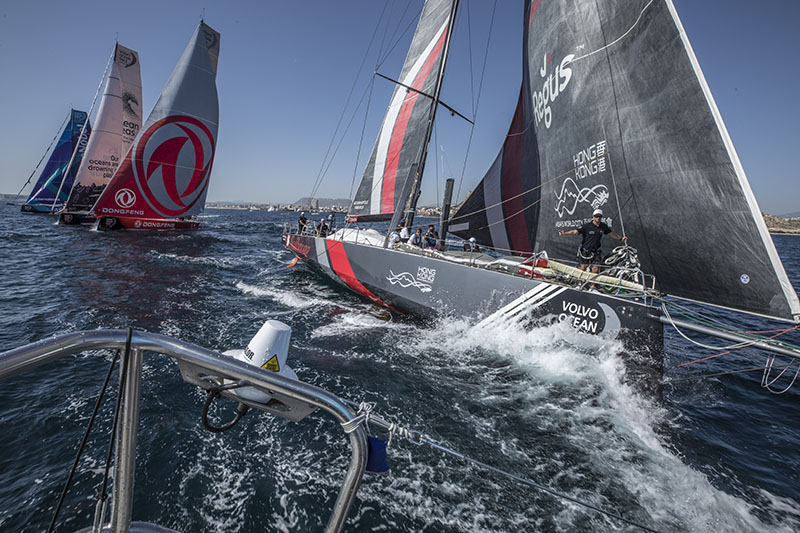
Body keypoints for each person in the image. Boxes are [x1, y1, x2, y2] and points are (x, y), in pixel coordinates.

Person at [558, 208, 628, 283]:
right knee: (583, 268)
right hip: (585, 251)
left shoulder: (603, 226)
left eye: (600, 216)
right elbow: (575, 231)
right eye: (596, 216)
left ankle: (592, 287)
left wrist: (621, 238)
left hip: (596, 251)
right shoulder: (587, 226)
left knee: (595, 269)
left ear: (602, 217)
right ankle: (579, 283)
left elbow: (611, 234)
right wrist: (565, 234)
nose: (598, 218)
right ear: (593, 217)